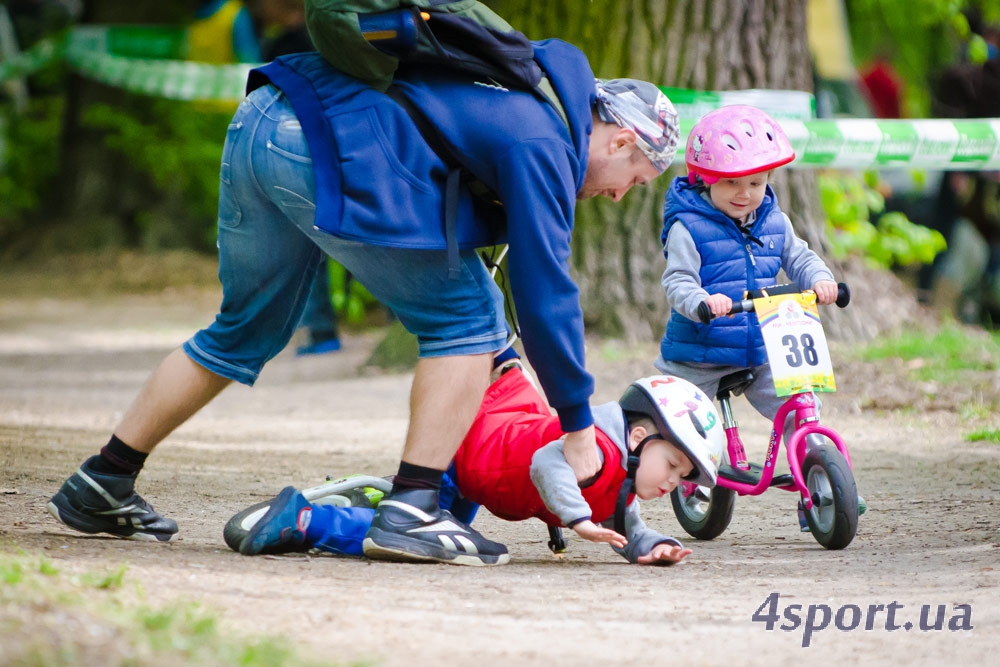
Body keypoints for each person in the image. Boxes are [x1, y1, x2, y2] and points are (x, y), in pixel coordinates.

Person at [45, 33, 682, 567]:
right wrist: (575, 425)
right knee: (467, 321)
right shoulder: (546, 142)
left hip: (267, 114)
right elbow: (547, 294)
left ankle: (105, 479)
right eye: (636, 180)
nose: (622, 194)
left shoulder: (529, 94)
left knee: (240, 331)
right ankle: (412, 508)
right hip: (316, 146)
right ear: (622, 142)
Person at [234, 354, 724, 566]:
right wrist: (577, 520)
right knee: (415, 538)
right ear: (638, 437)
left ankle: (382, 500)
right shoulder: (596, 448)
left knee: (427, 544)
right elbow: (548, 465)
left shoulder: (621, 480)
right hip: (466, 453)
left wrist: (650, 547)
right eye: (675, 464)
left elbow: (628, 528)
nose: (676, 482)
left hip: (482, 478)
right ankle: (306, 518)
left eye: (684, 476)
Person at [654, 105, 852, 525]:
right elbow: (678, 282)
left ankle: (817, 486)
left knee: (802, 409)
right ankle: (640, 489)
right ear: (706, 180)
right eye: (731, 182)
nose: (745, 193)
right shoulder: (688, 227)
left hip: (760, 350)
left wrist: (821, 281)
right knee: (677, 428)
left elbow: (801, 259)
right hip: (699, 352)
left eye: (756, 182)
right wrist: (703, 303)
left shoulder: (774, 222)